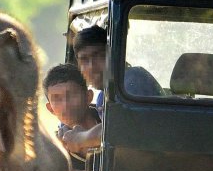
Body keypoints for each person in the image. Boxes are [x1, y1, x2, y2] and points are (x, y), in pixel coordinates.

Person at [62, 25, 163, 154]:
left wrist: (79, 138)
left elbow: (120, 128)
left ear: (114, 55)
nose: (92, 67)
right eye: (84, 60)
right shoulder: (103, 96)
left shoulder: (133, 80)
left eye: (99, 56)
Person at [43, 63, 100, 171]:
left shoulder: (110, 121)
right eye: (57, 99)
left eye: (72, 95)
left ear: (88, 97)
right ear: (50, 108)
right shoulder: (54, 152)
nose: (65, 104)